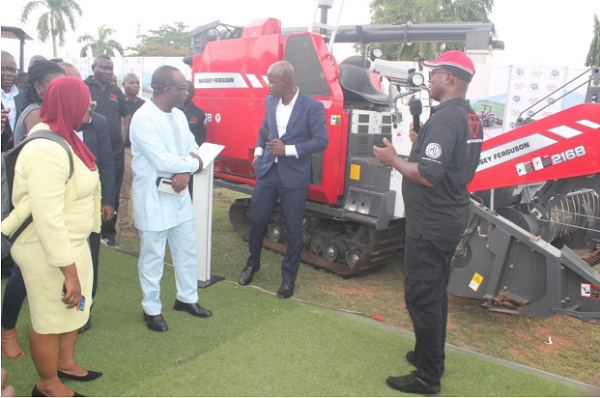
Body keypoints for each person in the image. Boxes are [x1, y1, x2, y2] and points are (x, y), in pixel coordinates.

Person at [373, 51, 483, 395]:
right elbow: (447, 162)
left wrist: (393, 160)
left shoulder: (447, 120)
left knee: (422, 297)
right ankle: (429, 355)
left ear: (450, 78)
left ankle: (427, 376)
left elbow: (428, 174)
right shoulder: (469, 116)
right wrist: (422, 139)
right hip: (447, 217)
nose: (430, 79)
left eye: (434, 73)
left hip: (431, 223)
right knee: (435, 295)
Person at [0, 76, 102, 397]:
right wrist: (68, 270)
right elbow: (47, 218)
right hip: (47, 249)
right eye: (87, 103)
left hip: (72, 243)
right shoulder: (45, 148)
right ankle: (47, 385)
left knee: (71, 310)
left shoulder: (67, 137)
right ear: (71, 105)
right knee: (49, 316)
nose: (90, 110)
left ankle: (65, 363)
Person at [130, 65, 212, 332]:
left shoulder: (178, 114)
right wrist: (189, 166)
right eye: (182, 87)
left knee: (187, 249)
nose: (187, 91)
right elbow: (159, 159)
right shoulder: (143, 118)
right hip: (153, 197)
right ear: (168, 91)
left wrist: (187, 169)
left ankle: (186, 298)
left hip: (178, 194)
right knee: (153, 255)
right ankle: (151, 308)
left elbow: (191, 146)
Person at [237, 61, 328, 299]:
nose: (268, 85)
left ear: (285, 81)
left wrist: (287, 150)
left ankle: (288, 279)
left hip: (294, 175)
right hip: (268, 171)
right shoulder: (270, 101)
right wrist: (258, 153)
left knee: (293, 227)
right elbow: (265, 129)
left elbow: (321, 140)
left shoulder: (312, 107)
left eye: (271, 81)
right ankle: (252, 263)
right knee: (257, 219)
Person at [1, 61, 66, 359]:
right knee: (24, 271)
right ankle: (7, 331)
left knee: (37, 269)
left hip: (45, 202)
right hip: (30, 205)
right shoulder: (36, 114)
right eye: (54, 85)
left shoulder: (52, 111)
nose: (61, 91)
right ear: (39, 88)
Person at [60, 62, 117, 334]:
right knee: (62, 261)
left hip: (92, 208)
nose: (88, 109)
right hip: (62, 210)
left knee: (90, 259)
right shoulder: (52, 127)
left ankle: (85, 310)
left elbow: (106, 162)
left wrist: (108, 202)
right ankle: (61, 308)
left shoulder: (99, 123)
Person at [84, 54, 131, 248]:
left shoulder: (115, 91)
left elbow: (126, 114)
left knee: (112, 188)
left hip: (114, 150)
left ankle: (109, 233)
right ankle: (88, 229)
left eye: (110, 68)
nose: (107, 71)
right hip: (89, 150)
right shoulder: (85, 88)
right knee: (89, 188)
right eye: (103, 67)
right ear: (93, 67)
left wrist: (123, 136)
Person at [118, 72, 145, 239]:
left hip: (141, 152)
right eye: (131, 83)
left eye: (138, 82)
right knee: (125, 190)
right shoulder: (120, 103)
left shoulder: (144, 104)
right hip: (126, 150)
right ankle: (123, 225)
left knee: (141, 189)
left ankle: (139, 222)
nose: (136, 85)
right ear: (124, 85)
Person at [1, 51, 23, 152]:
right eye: (3, 69)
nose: (9, 74)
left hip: (16, 156)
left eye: (13, 70)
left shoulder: (23, 96)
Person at [180, 80, 207, 146]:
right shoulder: (171, 110)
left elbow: (201, 137)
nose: (186, 93)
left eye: (189, 91)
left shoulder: (200, 114)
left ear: (193, 95)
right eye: (184, 90)